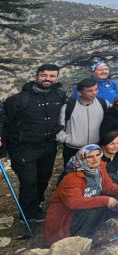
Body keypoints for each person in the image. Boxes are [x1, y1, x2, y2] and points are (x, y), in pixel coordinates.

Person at [0, 64, 66, 222]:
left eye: (52, 76)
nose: (48, 79)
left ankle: (35, 206)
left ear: (57, 78)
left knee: (44, 178)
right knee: (29, 181)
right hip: (23, 148)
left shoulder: (59, 95)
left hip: (48, 146)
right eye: (44, 75)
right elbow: (4, 125)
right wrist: (2, 152)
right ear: (36, 77)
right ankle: (28, 215)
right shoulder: (18, 100)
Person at [44, 144, 118, 246]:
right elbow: (73, 202)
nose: (95, 159)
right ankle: (80, 240)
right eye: (90, 157)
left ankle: (93, 227)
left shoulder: (99, 168)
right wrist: (105, 200)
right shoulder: (73, 177)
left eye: (97, 155)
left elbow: (106, 186)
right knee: (98, 208)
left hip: (85, 209)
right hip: (66, 219)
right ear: (82, 158)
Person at [58, 78, 106, 167]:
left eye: (96, 89)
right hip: (73, 149)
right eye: (89, 91)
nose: (94, 92)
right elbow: (60, 126)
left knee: (93, 173)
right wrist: (68, 140)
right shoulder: (68, 107)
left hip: (95, 149)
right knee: (72, 173)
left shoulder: (103, 103)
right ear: (79, 93)